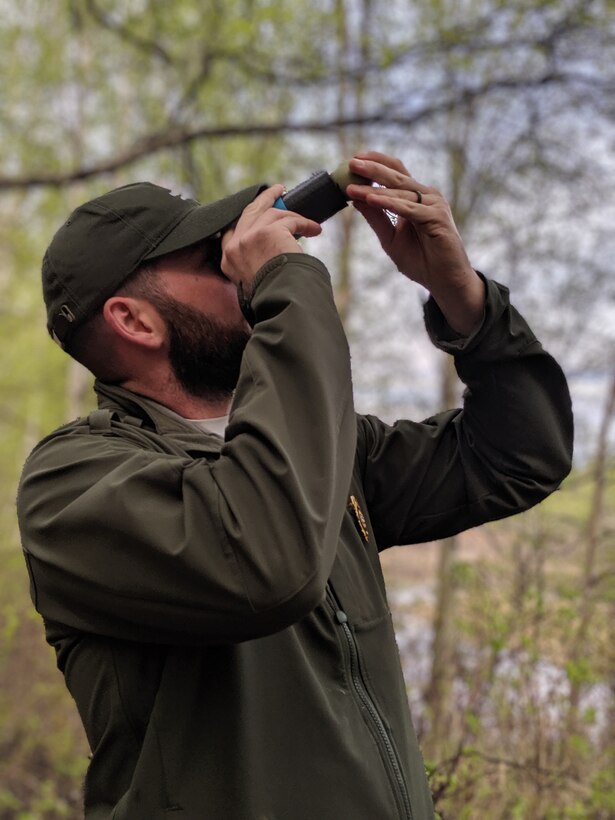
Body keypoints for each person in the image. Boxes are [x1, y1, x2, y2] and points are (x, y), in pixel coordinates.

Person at [17, 151, 573, 820]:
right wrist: (288, 283)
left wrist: (464, 301)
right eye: (212, 259)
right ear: (135, 321)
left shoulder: (325, 449)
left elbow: (520, 455)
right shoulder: (72, 484)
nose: (241, 266)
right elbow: (264, 560)